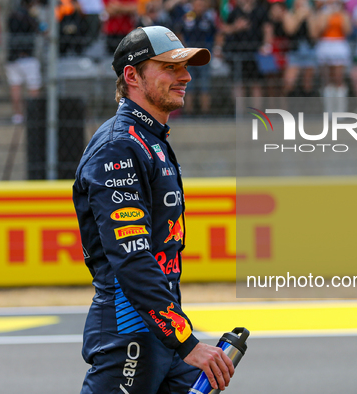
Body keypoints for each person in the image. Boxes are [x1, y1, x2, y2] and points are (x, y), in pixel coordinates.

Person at [72, 26, 234, 394]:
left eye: (186, 67)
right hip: (130, 330)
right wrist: (188, 343)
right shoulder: (118, 147)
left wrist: (180, 337)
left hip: (162, 332)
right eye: (171, 68)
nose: (186, 76)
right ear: (132, 76)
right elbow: (131, 258)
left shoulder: (150, 140)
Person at [174, 0, 217, 114]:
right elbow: (179, 33)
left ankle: (205, 112)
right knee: (188, 85)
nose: (200, 7)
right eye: (198, 4)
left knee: (205, 84)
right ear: (192, 5)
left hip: (204, 55)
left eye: (202, 5)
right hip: (189, 56)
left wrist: (215, 48)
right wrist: (184, 48)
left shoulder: (208, 19)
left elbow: (216, 33)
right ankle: (189, 112)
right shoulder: (186, 18)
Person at [6, 0, 42, 124]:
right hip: (27, 57)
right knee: (33, 87)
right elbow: (41, 28)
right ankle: (32, 114)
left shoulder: (12, 15)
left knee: (15, 86)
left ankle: (18, 115)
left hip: (13, 57)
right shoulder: (30, 15)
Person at [313, 0, 352, 113]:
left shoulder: (343, 13)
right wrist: (326, 16)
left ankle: (340, 111)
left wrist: (340, 14)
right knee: (327, 80)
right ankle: (329, 110)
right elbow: (317, 31)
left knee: (338, 78)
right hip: (325, 45)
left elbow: (348, 30)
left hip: (339, 45)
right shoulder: (322, 13)